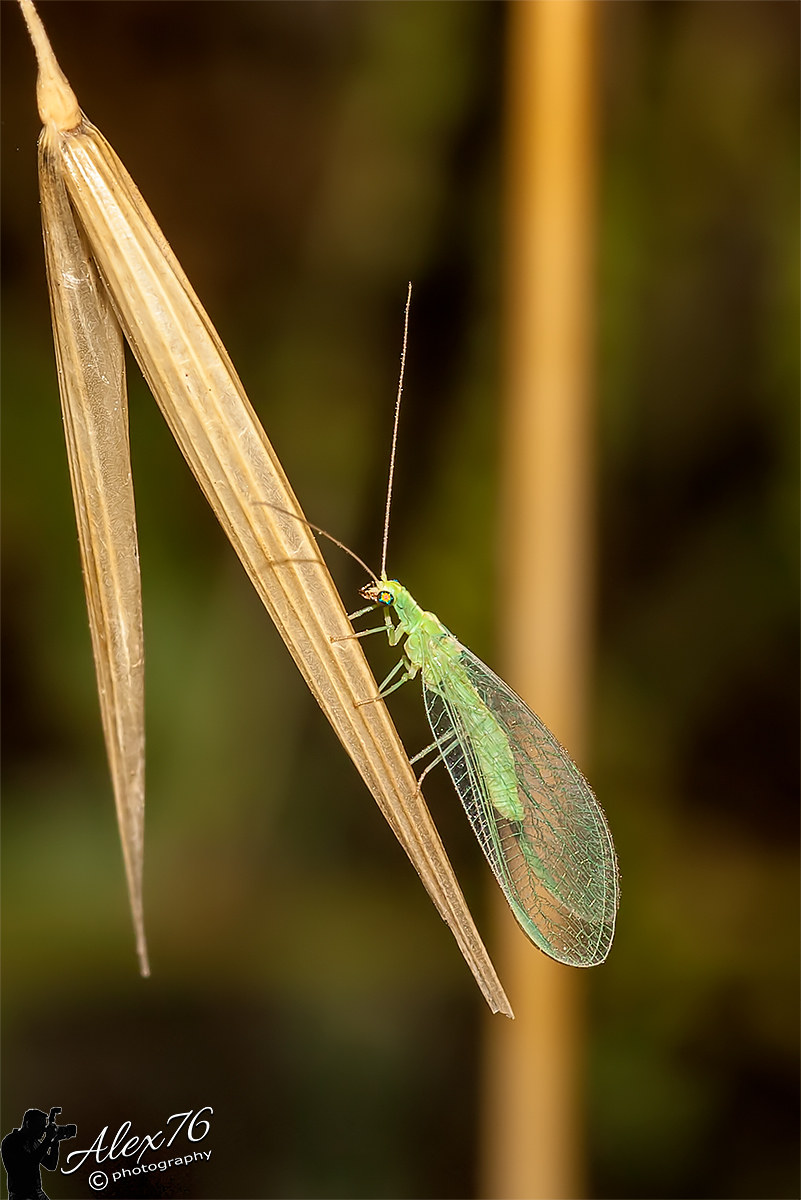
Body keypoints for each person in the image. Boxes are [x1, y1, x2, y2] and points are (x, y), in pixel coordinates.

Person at [1, 1110, 60, 1200]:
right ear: (28, 1124)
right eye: (40, 1126)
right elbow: (29, 1164)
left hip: (37, 1193)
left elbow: (51, 1165)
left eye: (44, 1126)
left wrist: (55, 1142)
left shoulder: (33, 1142)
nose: (44, 1130)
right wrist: (48, 1139)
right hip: (20, 1195)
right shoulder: (11, 1141)